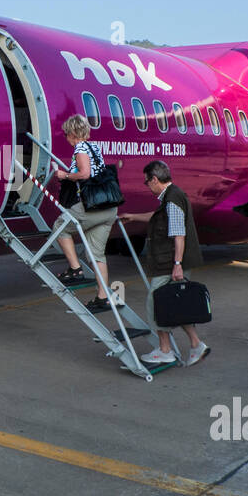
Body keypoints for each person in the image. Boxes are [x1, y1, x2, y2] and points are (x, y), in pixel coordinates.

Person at [119, 160, 208, 365]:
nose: (146, 186)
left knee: (155, 302)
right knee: (176, 304)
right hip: (173, 261)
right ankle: (196, 344)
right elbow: (160, 217)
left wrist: (177, 264)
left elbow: (178, 234)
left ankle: (165, 350)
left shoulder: (172, 199)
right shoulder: (172, 196)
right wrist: (134, 217)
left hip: (170, 262)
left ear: (155, 179)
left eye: (146, 182)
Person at [51, 115, 118, 312]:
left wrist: (65, 175)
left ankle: (75, 269)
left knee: (59, 226)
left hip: (93, 206)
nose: (65, 137)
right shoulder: (94, 148)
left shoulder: (80, 149)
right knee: (97, 254)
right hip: (109, 208)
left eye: (66, 134)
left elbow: (85, 174)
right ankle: (103, 296)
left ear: (72, 133)